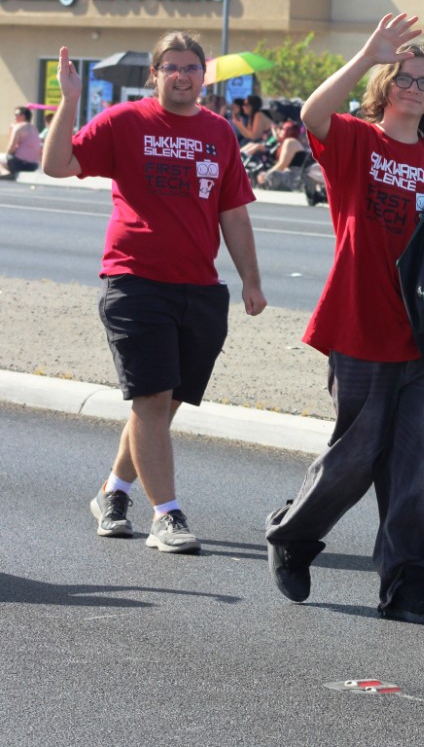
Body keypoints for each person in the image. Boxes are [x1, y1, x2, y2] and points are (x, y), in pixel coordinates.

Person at [264, 13, 424, 625]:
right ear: (384, 84)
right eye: (402, 77)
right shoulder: (356, 140)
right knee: (356, 453)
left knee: (419, 468)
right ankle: (295, 536)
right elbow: (313, 113)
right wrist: (368, 54)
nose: (413, 88)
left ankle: (409, 585)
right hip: (360, 324)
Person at [42, 31, 267, 554]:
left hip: (200, 287)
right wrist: (70, 100)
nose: (182, 76)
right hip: (135, 281)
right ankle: (167, 515)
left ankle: (114, 491)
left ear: (203, 74)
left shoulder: (219, 132)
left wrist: (251, 280)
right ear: (155, 74)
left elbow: (233, 212)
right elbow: (57, 164)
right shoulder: (124, 121)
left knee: (164, 403)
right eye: (171, 67)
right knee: (151, 397)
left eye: (191, 67)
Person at [257, 121, 307, 189]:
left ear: (288, 131)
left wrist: (267, 174)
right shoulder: (293, 141)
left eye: (282, 128)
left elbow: (282, 165)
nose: (279, 131)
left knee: (270, 175)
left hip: (295, 178)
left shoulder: (290, 141)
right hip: (295, 175)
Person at [0, 106, 42, 179]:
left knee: (4, 158)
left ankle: (6, 174)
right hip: (33, 165)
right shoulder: (34, 128)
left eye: (16, 115)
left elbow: (11, 147)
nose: (14, 117)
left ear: (23, 116)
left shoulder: (18, 127)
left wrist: (12, 128)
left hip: (19, 163)